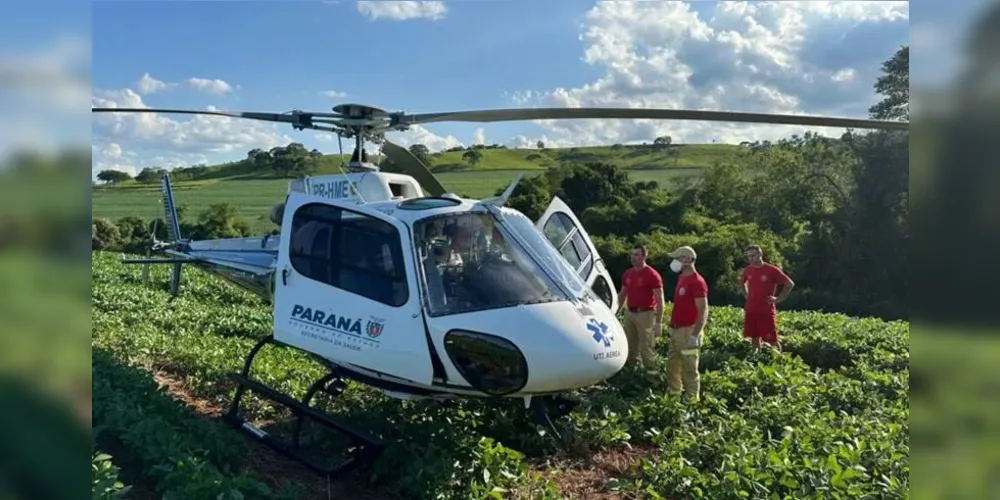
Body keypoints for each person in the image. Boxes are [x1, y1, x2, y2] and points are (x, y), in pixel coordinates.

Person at [665, 245, 708, 403]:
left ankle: (691, 398)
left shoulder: (697, 282)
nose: (675, 261)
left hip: (689, 331)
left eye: (678, 258)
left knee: (689, 367)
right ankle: (674, 393)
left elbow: (703, 310)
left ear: (688, 259)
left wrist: (695, 335)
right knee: (673, 364)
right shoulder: (682, 278)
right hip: (677, 330)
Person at [615, 244, 664, 371]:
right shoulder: (628, 274)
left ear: (644, 256)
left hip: (646, 314)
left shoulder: (652, 275)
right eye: (632, 254)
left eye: (636, 254)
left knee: (646, 347)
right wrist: (615, 313)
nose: (633, 257)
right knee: (630, 347)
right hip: (630, 313)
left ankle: (652, 377)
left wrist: (658, 322)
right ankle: (635, 374)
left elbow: (660, 300)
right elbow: (622, 295)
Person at [740, 245, 795, 349]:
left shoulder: (771, 270)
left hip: (765, 310)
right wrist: (746, 295)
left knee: (772, 339)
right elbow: (742, 283)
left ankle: (779, 360)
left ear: (760, 254)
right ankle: (756, 358)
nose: (750, 258)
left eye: (753, 255)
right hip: (751, 309)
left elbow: (789, 283)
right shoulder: (747, 270)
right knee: (754, 337)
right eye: (748, 256)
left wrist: (779, 298)